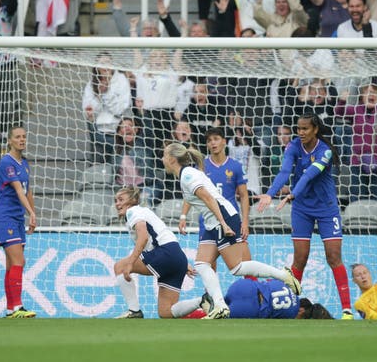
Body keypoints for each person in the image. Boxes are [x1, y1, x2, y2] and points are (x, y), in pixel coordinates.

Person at [162, 142, 301, 319]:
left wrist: (223, 223)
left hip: (223, 217)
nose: (162, 159)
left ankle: (283, 275)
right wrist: (184, 217)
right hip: (213, 222)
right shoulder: (186, 174)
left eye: (165, 155)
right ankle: (220, 306)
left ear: (173, 159)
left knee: (236, 267)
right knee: (202, 264)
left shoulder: (188, 175)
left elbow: (209, 199)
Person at [256, 113, 354, 320]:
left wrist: (292, 194)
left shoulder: (325, 151)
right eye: (298, 129)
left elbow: (310, 174)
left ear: (315, 129)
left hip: (326, 208)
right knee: (300, 258)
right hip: (302, 208)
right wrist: (270, 193)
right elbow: (284, 172)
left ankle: (347, 310)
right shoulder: (292, 146)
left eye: (305, 129)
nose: (300, 132)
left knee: (333, 257)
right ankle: (289, 309)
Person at [112, 186, 208, 319]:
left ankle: (134, 311)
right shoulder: (144, 212)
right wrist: (184, 263)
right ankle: (203, 300)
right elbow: (164, 236)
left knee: (120, 267)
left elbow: (143, 237)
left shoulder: (133, 211)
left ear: (133, 200)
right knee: (166, 312)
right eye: (116, 200)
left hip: (165, 253)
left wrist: (130, 263)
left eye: (121, 199)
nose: (117, 203)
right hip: (176, 257)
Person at [178, 127, 254, 275]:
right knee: (206, 265)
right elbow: (192, 193)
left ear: (224, 141)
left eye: (216, 139)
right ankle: (212, 297)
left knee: (244, 262)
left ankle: (254, 294)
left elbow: (244, 196)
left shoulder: (235, 166)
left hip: (230, 218)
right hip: (208, 221)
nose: (213, 143)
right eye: (209, 140)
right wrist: (183, 216)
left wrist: (245, 222)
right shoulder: (200, 167)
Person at [0, 126, 37, 318]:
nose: (22, 140)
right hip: (4, 216)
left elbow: (27, 191)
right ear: (10, 140)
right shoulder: (6, 163)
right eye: (18, 137)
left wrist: (32, 213)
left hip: (17, 217)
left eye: (24, 137)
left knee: (12, 264)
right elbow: (18, 190)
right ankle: (17, 307)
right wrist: (31, 214)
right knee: (19, 260)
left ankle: (10, 309)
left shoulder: (24, 163)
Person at [217, 278, 332, 319]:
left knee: (218, 304)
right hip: (249, 307)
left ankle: (200, 302)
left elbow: (269, 282)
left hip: (242, 286)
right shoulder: (291, 314)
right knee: (215, 315)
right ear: (301, 311)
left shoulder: (288, 287)